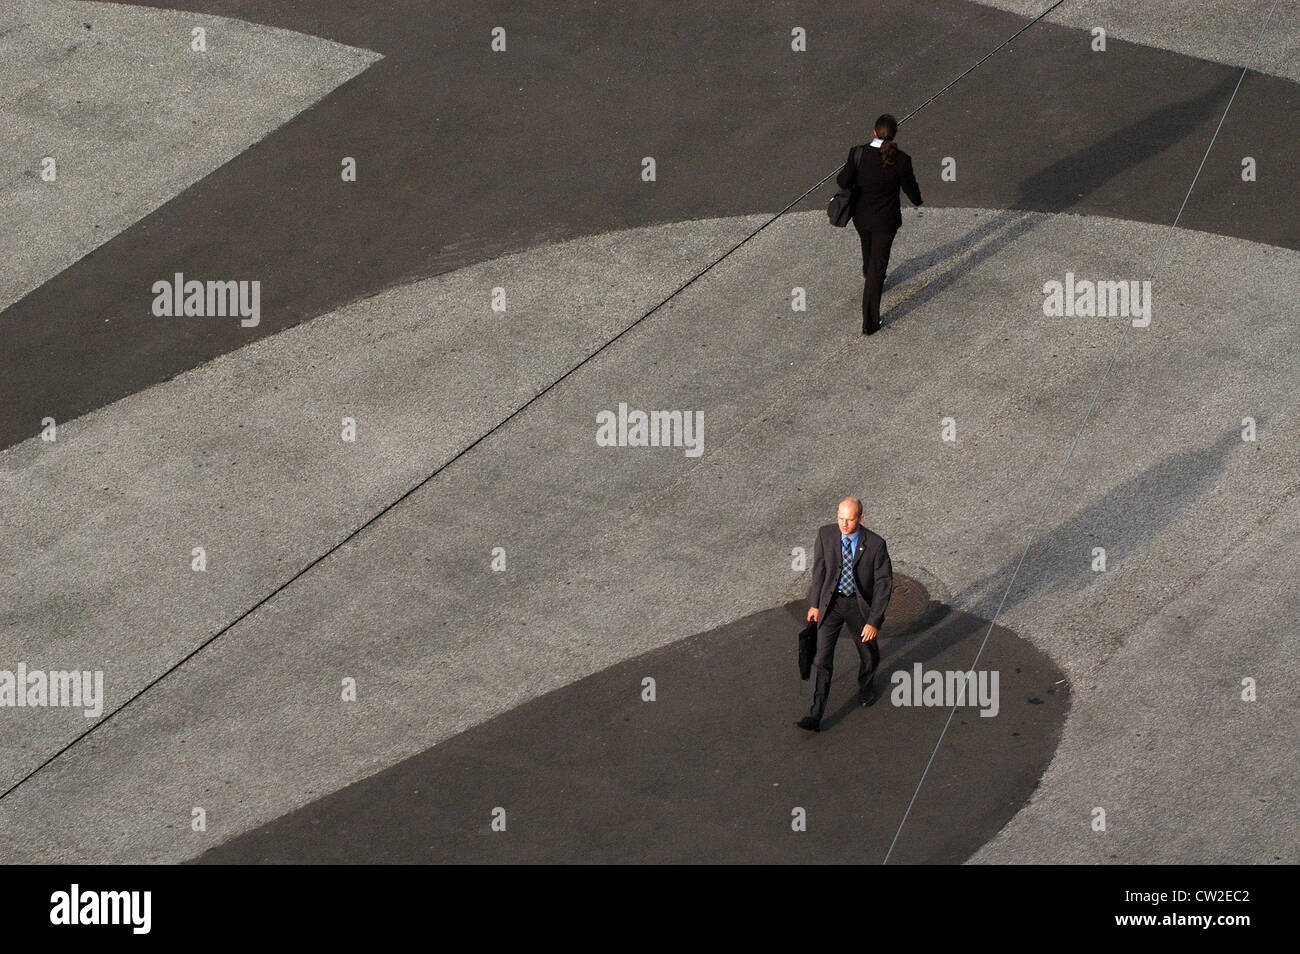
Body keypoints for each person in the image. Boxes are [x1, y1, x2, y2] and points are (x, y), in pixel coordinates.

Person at [796, 497, 893, 732]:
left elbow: (883, 583)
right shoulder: (826, 535)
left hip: (858, 606)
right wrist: (815, 604)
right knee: (821, 659)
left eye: (850, 519)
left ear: (861, 518)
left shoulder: (876, 545)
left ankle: (866, 686)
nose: (844, 524)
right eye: (840, 518)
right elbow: (819, 570)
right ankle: (813, 714)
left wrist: (874, 620)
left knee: (868, 653)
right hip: (832, 603)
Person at [835, 114, 923, 334]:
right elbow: (910, 188)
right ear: (895, 134)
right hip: (886, 220)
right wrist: (918, 201)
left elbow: (843, 181)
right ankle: (870, 322)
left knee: (867, 247)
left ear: (874, 132)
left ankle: (869, 274)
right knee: (878, 266)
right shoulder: (902, 160)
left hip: (861, 216)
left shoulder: (857, 153)